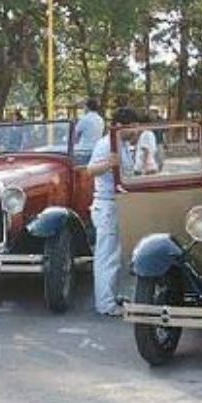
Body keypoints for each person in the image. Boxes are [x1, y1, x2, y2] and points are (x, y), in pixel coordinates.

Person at [86, 107, 141, 316]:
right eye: (132, 128)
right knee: (106, 256)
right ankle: (105, 304)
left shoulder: (122, 144)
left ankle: (112, 295)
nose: (135, 132)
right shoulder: (105, 144)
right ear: (120, 126)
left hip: (117, 204)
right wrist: (109, 163)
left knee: (115, 255)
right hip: (107, 205)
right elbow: (91, 170)